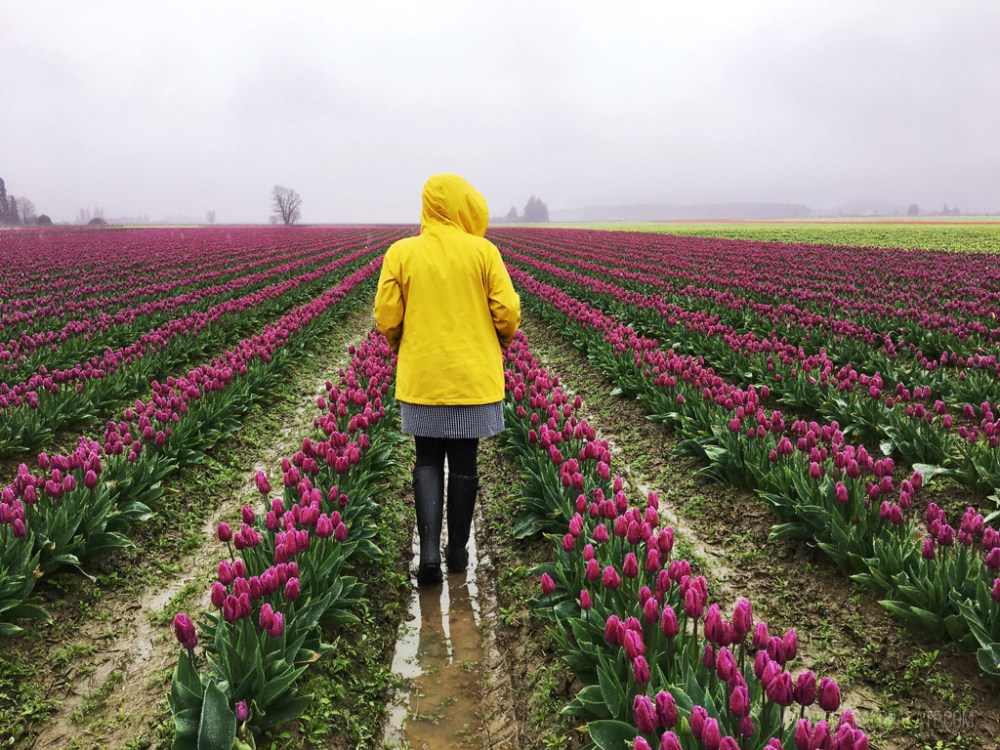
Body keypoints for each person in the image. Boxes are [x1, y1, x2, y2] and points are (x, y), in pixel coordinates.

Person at [374, 174, 520, 586]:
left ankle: (430, 559)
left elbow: (386, 315)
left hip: (423, 379)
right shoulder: (484, 252)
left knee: (426, 459)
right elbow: (506, 312)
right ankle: (459, 555)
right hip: (472, 380)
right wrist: (499, 342)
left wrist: (402, 342)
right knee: (464, 460)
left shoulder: (401, 253)